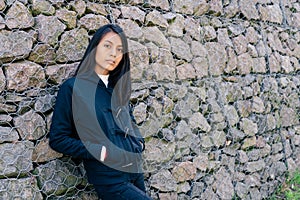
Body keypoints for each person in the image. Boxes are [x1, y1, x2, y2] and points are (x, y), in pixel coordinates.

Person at [49, 24, 152, 200]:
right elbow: (58, 139)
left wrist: (138, 143)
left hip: (134, 169)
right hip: (110, 177)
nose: (113, 54)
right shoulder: (73, 88)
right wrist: (99, 151)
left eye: (120, 50)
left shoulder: (117, 88)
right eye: (107, 46)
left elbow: (130, 121)